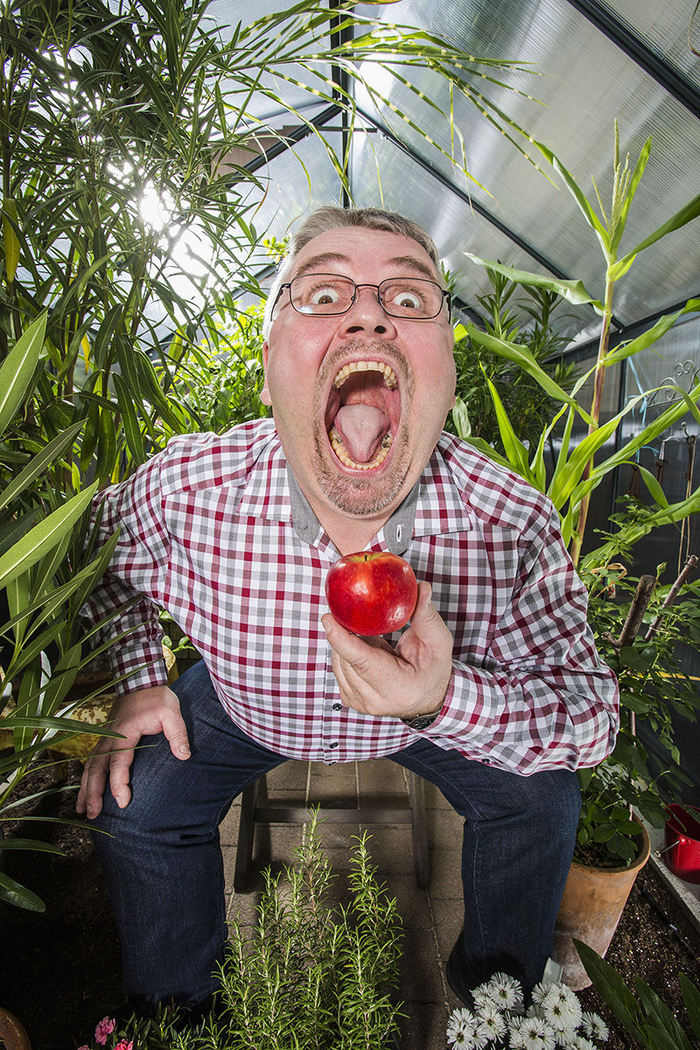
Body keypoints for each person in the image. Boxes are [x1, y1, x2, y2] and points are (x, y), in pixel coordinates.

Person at [76, 206, 619, 1018]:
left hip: (421, 726)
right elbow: (91, 551)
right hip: (241, 706)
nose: (369, 315)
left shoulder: (508, 523)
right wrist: (139, 678)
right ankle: (180, 1017)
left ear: (446, 378)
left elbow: (593, 713)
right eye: (324, 294)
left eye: (409, 298)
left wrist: (443, 700)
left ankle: (498, 1008)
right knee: (136, 803)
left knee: (543, 798)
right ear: (269, 369)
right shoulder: (188, 489)